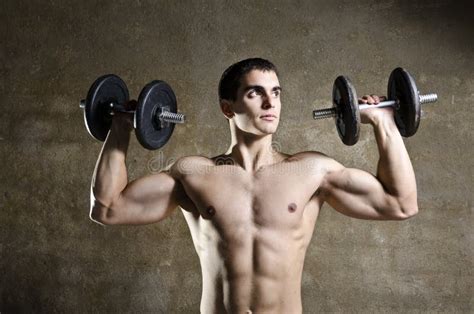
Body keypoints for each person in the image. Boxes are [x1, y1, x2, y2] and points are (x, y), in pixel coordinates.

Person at [89, 58, 418, 313]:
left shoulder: (312, 170)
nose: (270, 103)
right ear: (227, 108)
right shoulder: (193, 173)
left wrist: (383, 123)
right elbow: (107, 209)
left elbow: (400, 204)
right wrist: (120, 127)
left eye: (275, 93)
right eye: (255, 92)